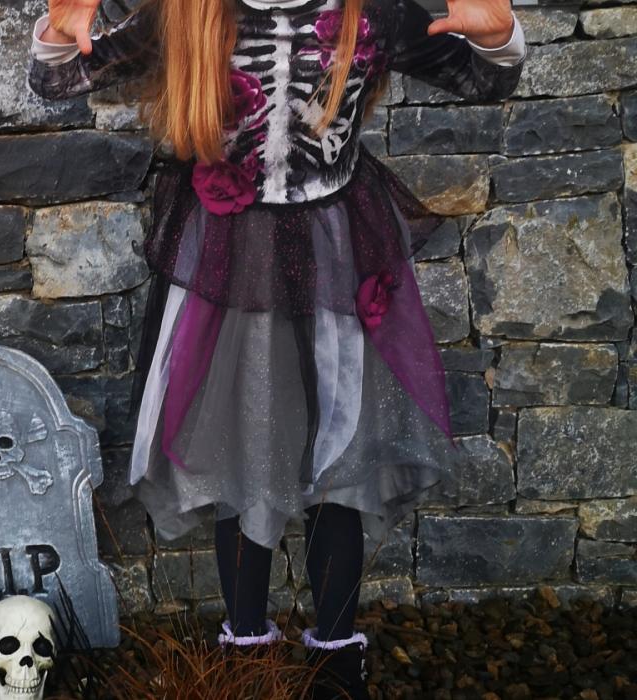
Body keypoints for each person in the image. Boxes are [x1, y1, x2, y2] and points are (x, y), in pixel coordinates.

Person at [27, 0, 524, 695]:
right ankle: (245, 653)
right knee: (241, 441)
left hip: (337, 248)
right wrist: (58, 35)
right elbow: (55, 83)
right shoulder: (186, 13)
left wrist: (500, 41)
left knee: (340, 447)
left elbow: (487, 82)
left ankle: (335, 657)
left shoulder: (372, 11)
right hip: (232, 256)